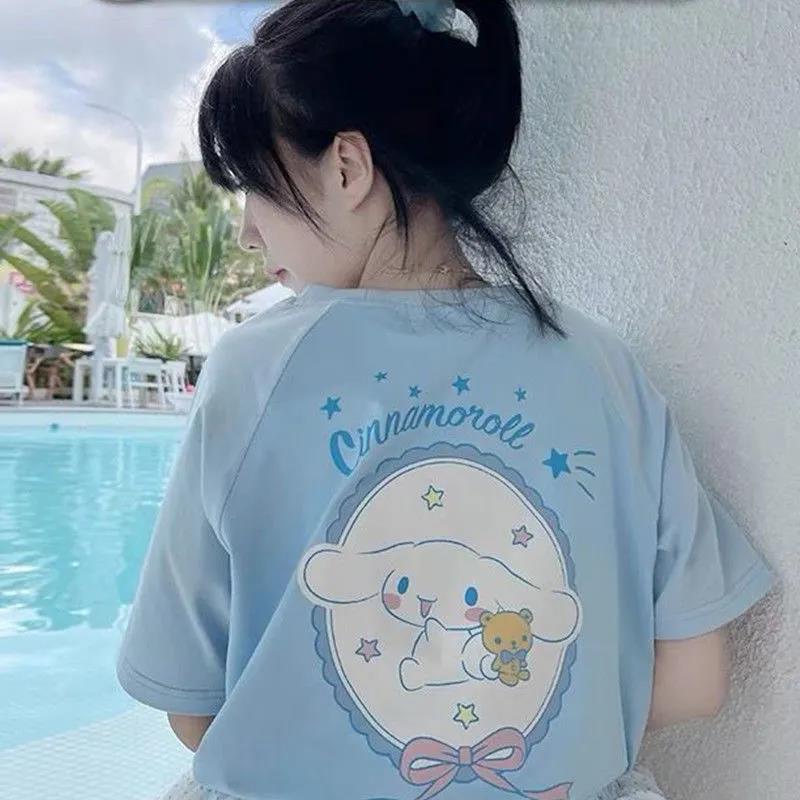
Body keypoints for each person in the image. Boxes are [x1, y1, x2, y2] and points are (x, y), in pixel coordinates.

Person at [116, 2, 776, 799]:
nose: (249, 234)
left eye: (254, 188)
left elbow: (191, 706)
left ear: (347, 168)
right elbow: (697, 679)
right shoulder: (604, 369)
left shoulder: (254, 369)